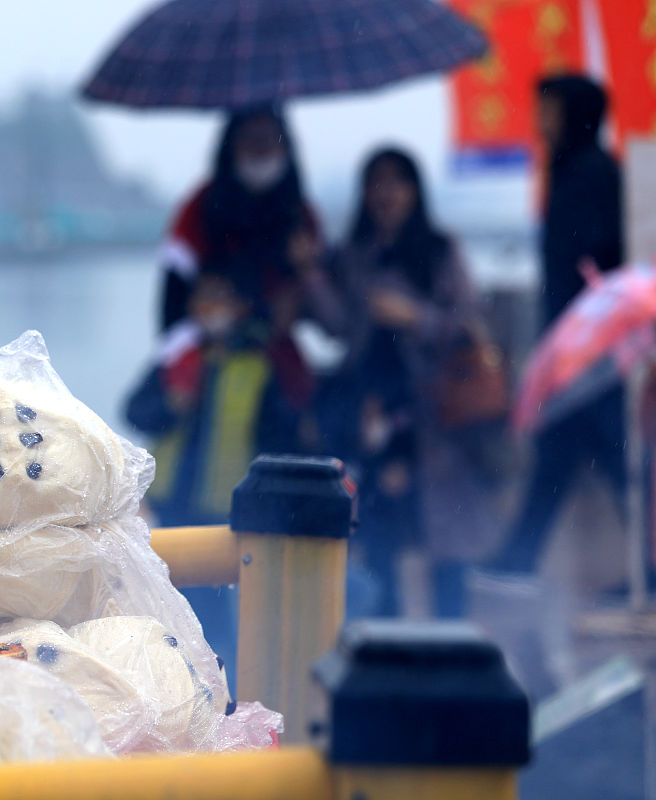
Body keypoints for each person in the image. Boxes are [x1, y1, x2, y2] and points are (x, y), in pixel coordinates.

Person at [303, 147, 498, 618]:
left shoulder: (438, 250)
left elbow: (467, 322)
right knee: (377, 535)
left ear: (415, 191)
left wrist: (413, 315)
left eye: (397, 182)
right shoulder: (353, 255)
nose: (386, 193)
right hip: (370, 411)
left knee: (445, 541)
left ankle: (452, 649)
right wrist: (309, 271)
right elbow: (337, 327)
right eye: (377, 183)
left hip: (432, 417)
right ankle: (385, 647)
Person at [125, 270, 306, 693]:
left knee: (220, 614)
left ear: (242, 308)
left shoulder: (260, 365)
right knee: (172, 603)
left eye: (223, 299)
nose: (214, 310)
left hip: (226, 507)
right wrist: (169, 406)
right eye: (206, 299)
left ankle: (227, 694)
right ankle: (180, 690)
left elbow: (281, 438)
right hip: (171, 502)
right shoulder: (177, 358)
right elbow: (134, 410)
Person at [489, 75, 625, 575]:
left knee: (614, 460)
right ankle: (516, 560)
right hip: (576, 345)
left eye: (548, 110)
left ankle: (516, 561)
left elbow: (591, 261)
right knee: (573, 457)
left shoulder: (592, 173)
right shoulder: (570, 170)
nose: (539, 122)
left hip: (595, 348)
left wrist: (569, 341)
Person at [157, 106, 321, 412]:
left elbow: (323, 310)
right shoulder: (199, 209)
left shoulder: (301, 214)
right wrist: (183, 367)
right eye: (251, 140)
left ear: (286, 146)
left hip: (279, 368)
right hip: (209, 365)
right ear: (231, 146)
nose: (261, 150)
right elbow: (171, 304)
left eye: (269, 140)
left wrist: (304, 279)